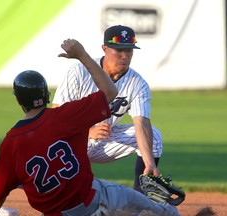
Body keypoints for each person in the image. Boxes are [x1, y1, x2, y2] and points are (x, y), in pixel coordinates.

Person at [0, 39, 179, 216]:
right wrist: (82, 55)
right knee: (153, 209)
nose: (124, 56)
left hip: (57, 211)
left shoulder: (11, 140)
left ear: (18, 100)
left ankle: (16, 182)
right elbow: (110, 91)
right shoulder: (66, 116)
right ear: (47, 95)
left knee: (18, 173)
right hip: (94, 200)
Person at [52, 25, 163, 191]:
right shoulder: (79, 72)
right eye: (119, 51)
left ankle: (141, 197)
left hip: (106, 141)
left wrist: (150, 163)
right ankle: (52, 192)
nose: (125, 56)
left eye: (129, 51)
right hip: (72, 141)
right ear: (104, 48)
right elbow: (56, 116)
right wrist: (87, 131)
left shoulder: (137, 83)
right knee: (55, 137)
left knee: (153, 135)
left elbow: (141, 124)